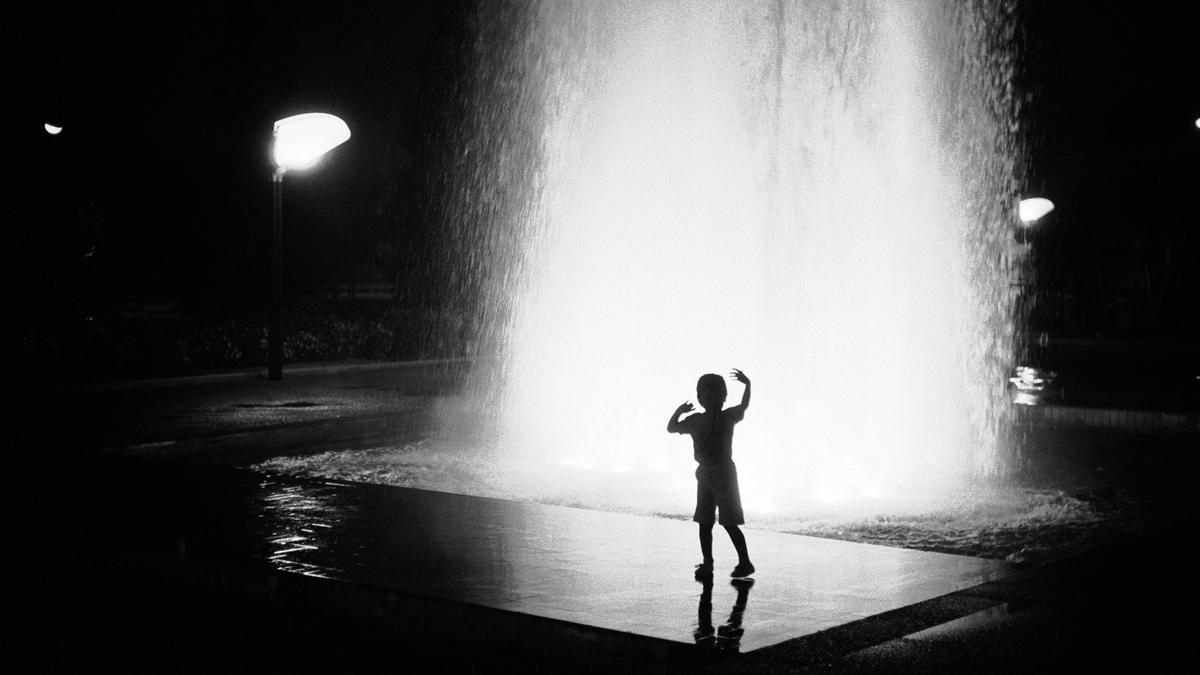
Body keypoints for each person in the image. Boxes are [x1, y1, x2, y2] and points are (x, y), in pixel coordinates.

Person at [667, 369, 754, 579]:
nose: (713, 400)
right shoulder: (700, 419)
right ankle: (709, 563)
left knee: (729, 523)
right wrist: (679, 411)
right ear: (700, 398)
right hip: (706, 474)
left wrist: (747, 385)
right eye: (708, 397)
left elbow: (743, 406)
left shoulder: (724, 417)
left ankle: (744, 561)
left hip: (724, 474)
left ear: (724, 397)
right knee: (704, 522)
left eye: (717, 396)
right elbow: (671, 428)